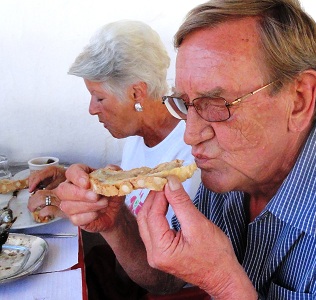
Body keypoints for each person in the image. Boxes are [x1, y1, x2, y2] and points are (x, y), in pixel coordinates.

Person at [54, 0, 316, 299]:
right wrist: (116, 224)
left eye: (215, 104)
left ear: (298, 100)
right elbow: (165, 279)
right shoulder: (230, 174)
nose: (190, 136)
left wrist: (224, 284)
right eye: (185, 104)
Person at [27, 20, 202, 300]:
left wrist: (101, 215)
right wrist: (81, 181)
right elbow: (134, 191)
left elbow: (166, 280)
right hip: (124, 278)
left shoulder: (190, 157)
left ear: (136, 93)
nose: (91, 110)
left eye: (99, 98)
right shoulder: (136, 131)